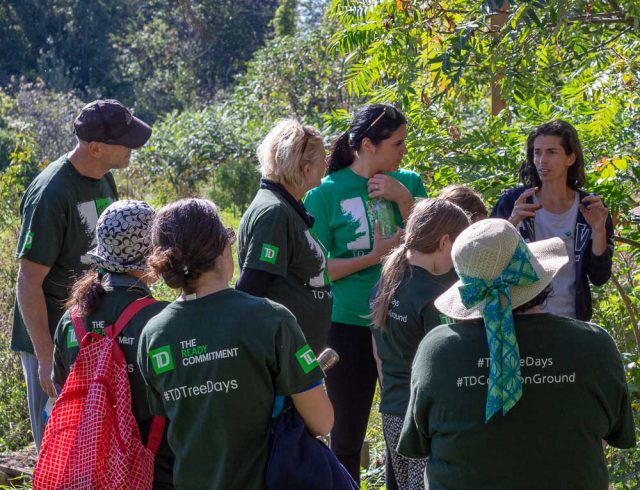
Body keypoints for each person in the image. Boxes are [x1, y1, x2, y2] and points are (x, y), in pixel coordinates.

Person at [398, 219, 635, 489]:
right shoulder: (594, 345)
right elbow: (608, 434)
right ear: (533, 271)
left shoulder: (436, 352)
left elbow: (421, 443)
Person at [138, 198, 334, 489]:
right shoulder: (272, 318)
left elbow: (165, 424)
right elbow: (322, 422)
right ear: (222, 249)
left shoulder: (153, 334)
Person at [12, 99, 152, 450]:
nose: (133, 147)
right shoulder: (52, 193)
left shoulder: (104, 178)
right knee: (59, 441)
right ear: (96, 147)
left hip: (93, 333)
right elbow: (28, 281)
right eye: (126, 140)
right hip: (52, 340)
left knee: (96, 445)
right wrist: (45, 358)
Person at [304, 103, 427, 484]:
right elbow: (318, 270)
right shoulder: (324, 195)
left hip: (402, 323)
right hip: (346, 326)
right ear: (369, 145)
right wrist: (375, 256)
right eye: (397, 143)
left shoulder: (409, 182)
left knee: (403, 428)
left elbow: (437, 245)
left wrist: (404, 199)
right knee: (346, 433)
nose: (404, 151)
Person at [51, 199, 173, 487]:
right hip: (155, 464)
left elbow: (61, 388)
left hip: (91, 464)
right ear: (151, 253)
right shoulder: (162, 318)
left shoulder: (72, 319)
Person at [369, 199, 470, 490]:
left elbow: (378, 353)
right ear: (444, 242)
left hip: (391, 408)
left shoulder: (388, 279)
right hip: (424, 417)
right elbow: (444, 363)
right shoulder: (436, 296)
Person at [492, 119, 613, 321]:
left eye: (551, 152)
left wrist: (598, 230)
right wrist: (512, 222)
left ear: (571, 158)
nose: (542, 160)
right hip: (521, 321)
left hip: (572, 322)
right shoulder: (513, 202)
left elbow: (600, 277)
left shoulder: (590, 208)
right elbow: (486, 259)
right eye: (537, 153)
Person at [237, 120, 331, 353]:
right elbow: (251, 289)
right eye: (323, 159)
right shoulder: (275, 213)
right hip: (283, 359)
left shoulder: (286, 207)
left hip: (297, 358)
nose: (327, 164)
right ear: (305, 168)